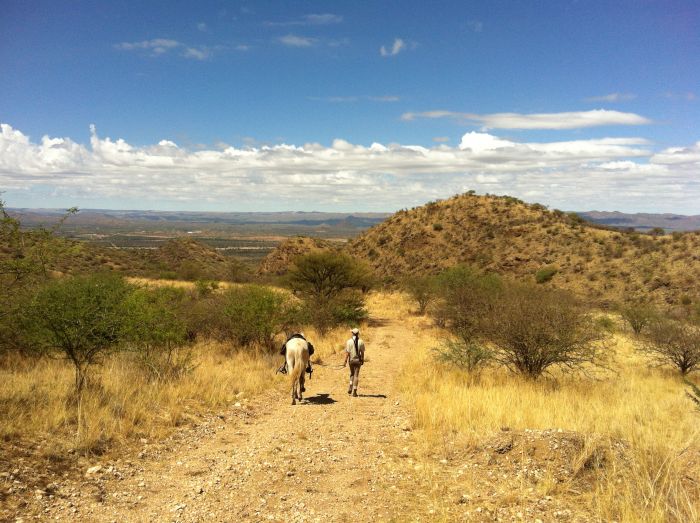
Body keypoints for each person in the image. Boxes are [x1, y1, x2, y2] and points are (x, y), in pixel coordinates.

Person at [344, 327, 365, 397]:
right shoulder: (361, 341)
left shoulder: (349, 342)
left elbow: (347, 353)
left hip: (351, 361)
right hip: (358, 361)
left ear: (352, 333)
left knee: (352, 374)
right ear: (358, 334)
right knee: (356, 375)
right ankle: (355, 391)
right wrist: (362, 359)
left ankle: (350, 385)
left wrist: (345, 361)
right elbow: (362, 352)